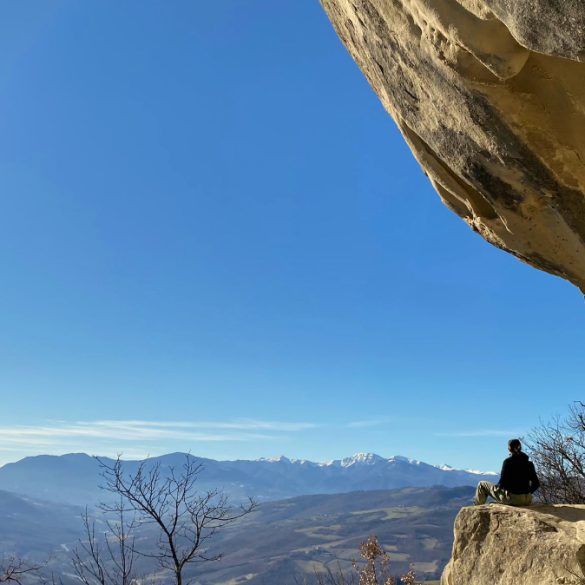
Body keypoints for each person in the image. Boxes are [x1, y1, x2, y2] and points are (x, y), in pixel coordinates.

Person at [474, 438, 540, 506]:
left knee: (481, 484)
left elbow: (502, 483)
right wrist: (527, 492)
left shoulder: (508, 462)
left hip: (512, 499)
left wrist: (498, 488)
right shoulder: (529, 464)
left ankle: (477, 507)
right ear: (520, 447)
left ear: (509, 448)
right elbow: (536, 483)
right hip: (527, 499)